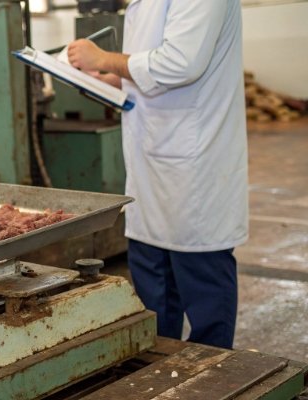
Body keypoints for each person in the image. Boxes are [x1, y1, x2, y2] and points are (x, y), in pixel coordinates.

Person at [66, 0, 248, 349]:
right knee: (153, 286)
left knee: (203, 286)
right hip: (153, 162)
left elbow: (181, 63)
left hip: (195, 166)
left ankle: (214, 369)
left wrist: (103, 59)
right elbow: (153, 66)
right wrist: (113, 80)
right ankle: (158, 366)